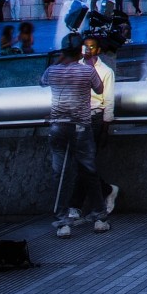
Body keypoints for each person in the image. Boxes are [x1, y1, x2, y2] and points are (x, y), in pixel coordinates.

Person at [40, 36, 111, 236]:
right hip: (81, 127)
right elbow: (99, 89)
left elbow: (42, 82)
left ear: (62, 51)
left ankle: (62, 222)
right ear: (80, 51)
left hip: (58, 127)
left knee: (60, 174)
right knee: (89, 171)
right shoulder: (87, 70)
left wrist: (59, 60)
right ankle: (99, 217)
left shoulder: (52, 71)